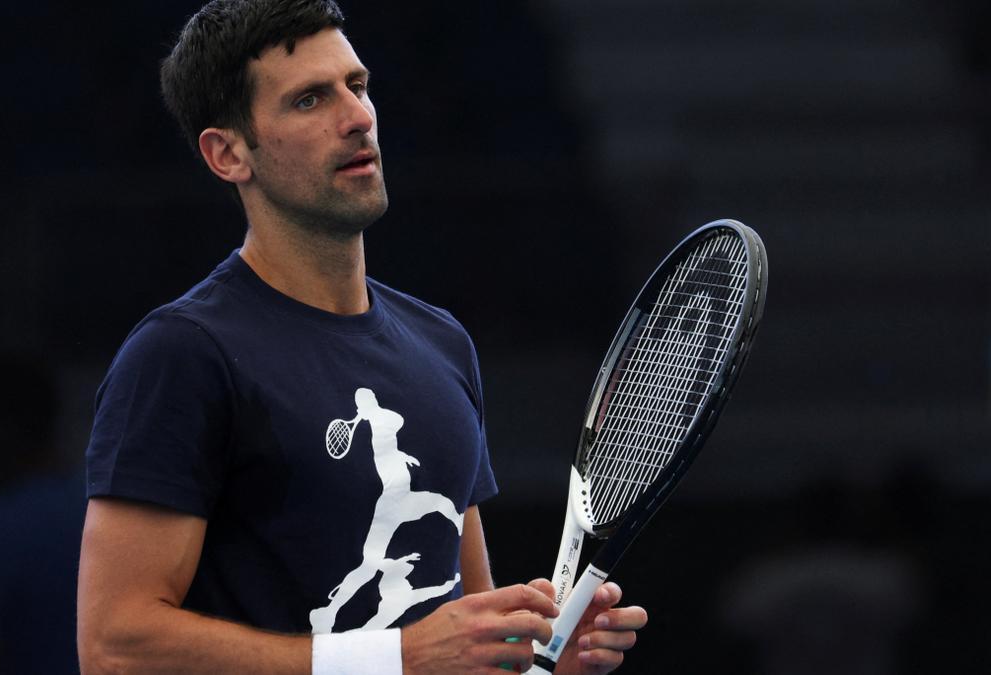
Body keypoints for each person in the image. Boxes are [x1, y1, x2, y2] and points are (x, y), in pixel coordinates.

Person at [75, 1, 647, 673]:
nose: (356, 117)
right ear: (228, 152)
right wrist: (394, 657)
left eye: (358, 85)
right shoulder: (182, 354)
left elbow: (462, 639)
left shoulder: (442, 344)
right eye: (310, 99)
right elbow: (114, 645)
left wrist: (539, 657)